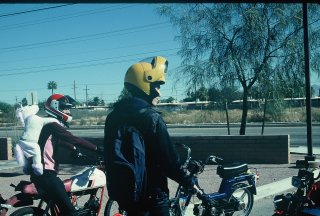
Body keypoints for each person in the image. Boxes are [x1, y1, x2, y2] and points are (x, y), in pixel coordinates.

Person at [104, 56, 194, 216]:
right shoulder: (151, 118)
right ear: (146, 84)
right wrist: (189, 181)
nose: (159, 91)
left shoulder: (113, 116)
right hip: (153, 196)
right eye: (157, 85)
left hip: (127, 194)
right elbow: (169, 162)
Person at [30, 93, 102, 216]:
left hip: (41, 173)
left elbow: (59, 141)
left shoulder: (47, 123)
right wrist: (97, 148)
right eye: (65, 108)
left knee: (60, 208)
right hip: (47, 175)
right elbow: (73, 139)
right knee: (71, 212)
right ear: (55, 107)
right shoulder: (52, 123)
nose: (68, 111)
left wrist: (74, 149)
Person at [15, 104, 59, 176]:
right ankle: (37, 168)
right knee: (36, 154)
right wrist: (57, 121)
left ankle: (26, 167)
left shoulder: (26, 120)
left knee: (26, 157)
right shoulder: (37, 119)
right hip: (32, 142)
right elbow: (48, 120)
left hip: (22, 141)